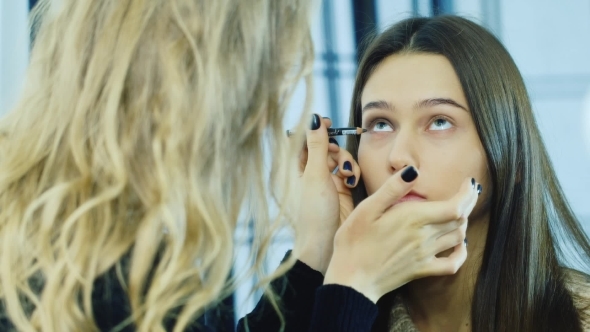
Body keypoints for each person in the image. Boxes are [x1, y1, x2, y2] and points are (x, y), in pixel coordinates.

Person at [239, 15, 590, 332]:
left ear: (510, 156)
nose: (398, 156)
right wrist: (318, 252)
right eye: (380, 124)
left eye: (439, 121)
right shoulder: (327, 306)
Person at [0, 0, 319, 330]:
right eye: (253, 92)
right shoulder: (129, 288)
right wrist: (350, 289)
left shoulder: (43, 231)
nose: (263, 121)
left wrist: (317, 255)